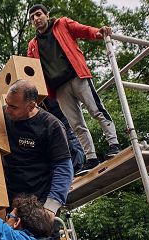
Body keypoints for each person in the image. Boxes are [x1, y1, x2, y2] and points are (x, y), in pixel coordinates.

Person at [3, 79, 84, 240]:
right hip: (9, 199)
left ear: (31, 105)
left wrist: (50, 207)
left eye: (14, 107)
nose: (8, 110)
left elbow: (63, 166)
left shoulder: (50, 126)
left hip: (38, 200)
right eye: (7, 104)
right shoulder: (3, 116)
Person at [27, 3, 121, 175]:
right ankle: (91, 158)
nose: (36, 19)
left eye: (38, 14)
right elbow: (31, 70)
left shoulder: (62, 24)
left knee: (96, 110)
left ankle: (114, 144)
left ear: (47, 15)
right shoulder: (33, 45)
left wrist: (98, 33)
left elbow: (83, 30)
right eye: (32, 17)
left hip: (77, 77)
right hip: (59, 89)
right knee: (76, 124)